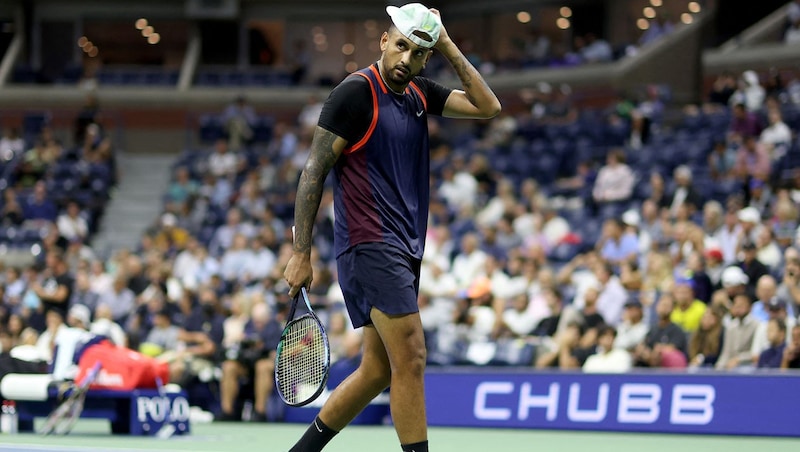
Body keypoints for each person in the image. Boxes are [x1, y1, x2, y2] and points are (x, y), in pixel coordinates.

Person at [283, 4, 501, 452]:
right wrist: (301, 252)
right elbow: (313, 171)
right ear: (384, 41)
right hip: (369, 243)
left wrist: (444, 43)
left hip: (403, 247)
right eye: (400, 46)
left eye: (418, 53)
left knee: (378, 370)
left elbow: (487, 106)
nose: (406, 59)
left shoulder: (419, 93)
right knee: (413, 357)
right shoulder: (354, 93)